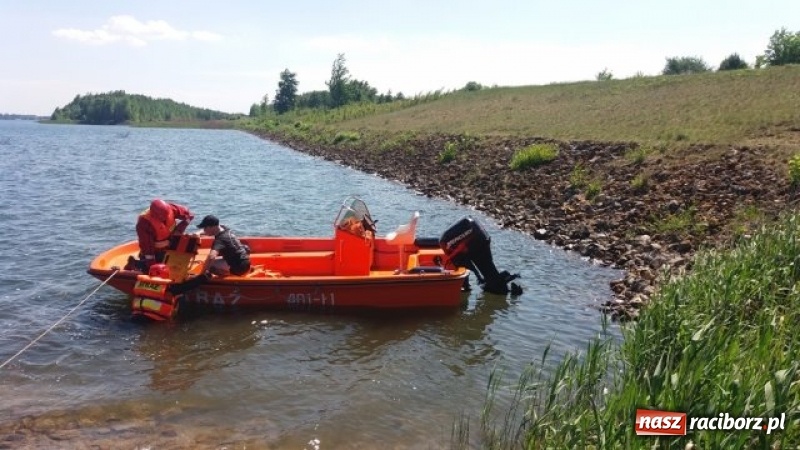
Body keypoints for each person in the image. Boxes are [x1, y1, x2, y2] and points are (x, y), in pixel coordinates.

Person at [134, 199, 194, 271]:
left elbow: (190, 215)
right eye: (161, 216)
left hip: (170, 242)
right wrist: (153, 266)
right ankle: (135, 264)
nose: (164, 217)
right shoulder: (144, 223)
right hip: (155, 249)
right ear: (154, 215)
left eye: (166, 214)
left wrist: (179, 229)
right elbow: (147, 247)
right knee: (152, 267)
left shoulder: (171, 209)